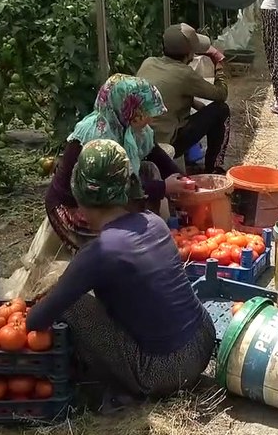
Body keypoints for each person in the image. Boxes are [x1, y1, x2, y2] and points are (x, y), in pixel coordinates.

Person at [27, 139, 216, 411]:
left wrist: (43, 302)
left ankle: (124, 387)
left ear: (79, 198)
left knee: (75, 305)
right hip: (202, 340)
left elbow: (36, 320)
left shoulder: (99, 252)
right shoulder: (153, 222)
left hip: (167, 371)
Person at [44, 74, 188, 252]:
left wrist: (184, 182)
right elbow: (110, 188)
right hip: (79, 204)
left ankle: (140, 224)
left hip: (109, 193)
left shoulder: (130, 127)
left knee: (148, 168)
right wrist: (163, 188)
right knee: (119, 247)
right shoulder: (97, 135)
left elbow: (155, 154)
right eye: (144, 114)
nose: (149, 119)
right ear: (127, 110)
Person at [137, 23, 230, 174]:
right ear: (190, 54)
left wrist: (199, 106)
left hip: (142, 136)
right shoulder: (185, 74)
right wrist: (219, 66)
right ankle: (213, 168)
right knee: (221, 109)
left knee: (194, 114)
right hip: (167, 143)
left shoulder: (148, 63)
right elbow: (221, 94)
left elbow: (167, 94)